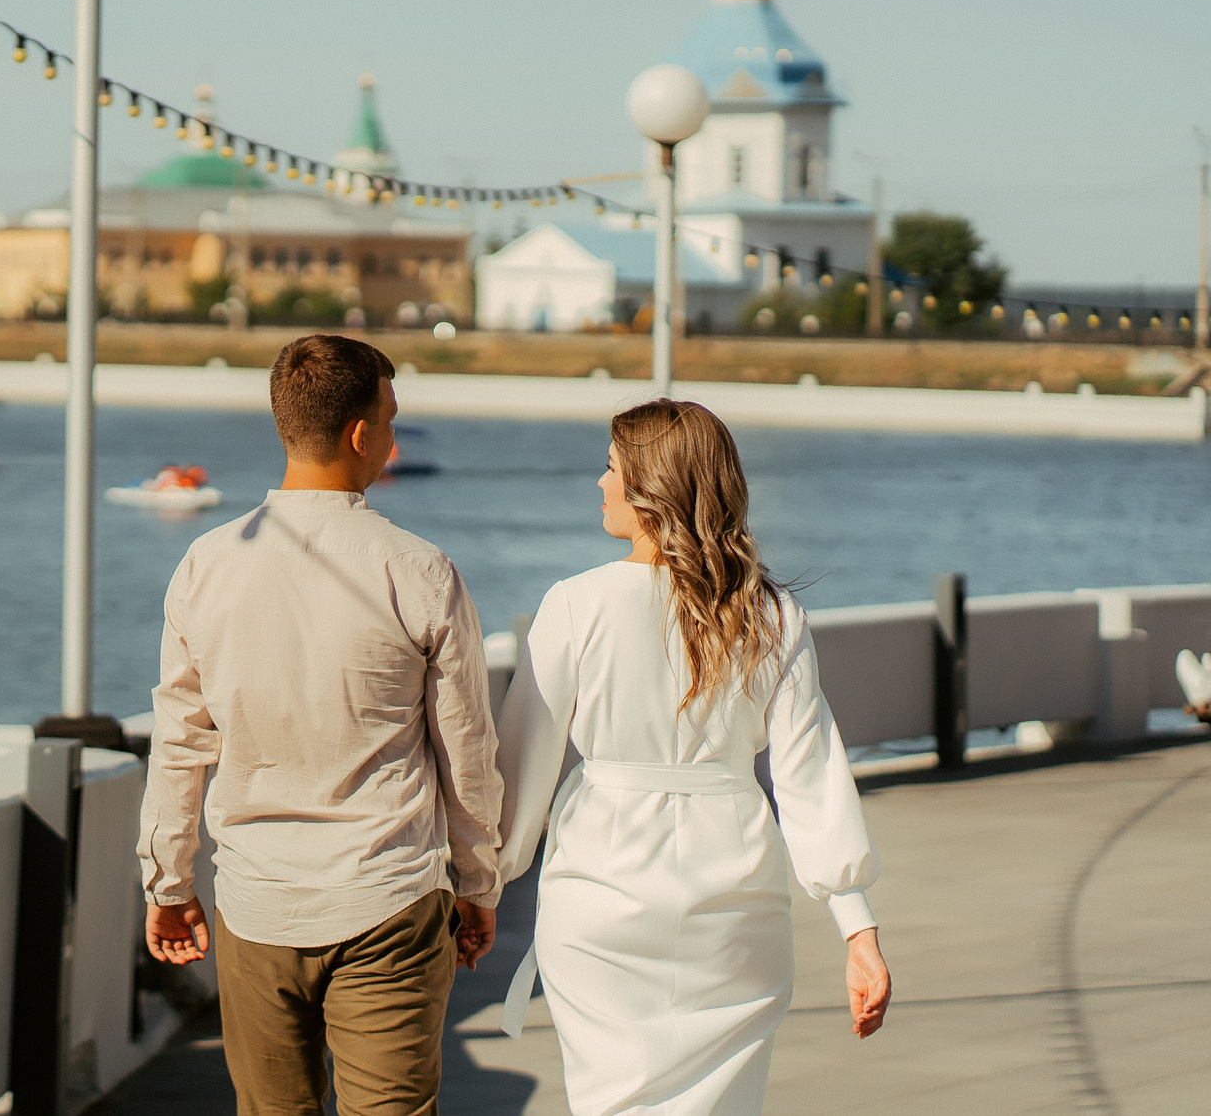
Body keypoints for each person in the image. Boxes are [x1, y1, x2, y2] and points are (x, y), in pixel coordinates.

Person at [138, 333, 503, 1116]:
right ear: (362, 433)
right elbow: (466, 749)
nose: (393, 437)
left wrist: (169, 880)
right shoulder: (419, 569)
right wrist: (478, 882)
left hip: (256, 902)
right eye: (390, 420)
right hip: (390, 898)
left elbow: (181, 742)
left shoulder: (205, 564)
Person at [495, 399, 891, 1115]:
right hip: (735, 908)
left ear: (652, 488)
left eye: (611, 468)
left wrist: (483, 886)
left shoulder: (575, 604)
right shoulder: (772, 614)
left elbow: (523, 773)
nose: (600, 483)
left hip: (603, 898)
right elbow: (809, 779)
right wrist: (856, 928)